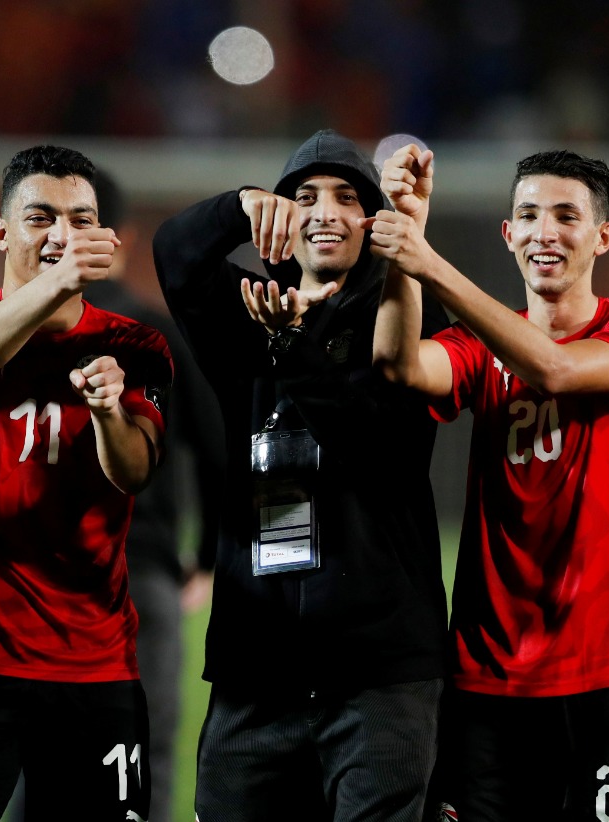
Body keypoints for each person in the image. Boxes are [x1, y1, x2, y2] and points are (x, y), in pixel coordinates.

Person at [369, 145, 609, 821]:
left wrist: (430, 264)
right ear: (508, 234)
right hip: (488, 674)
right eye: (530, 215)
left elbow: (556, 371)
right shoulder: (477, 349)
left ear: (603, 237)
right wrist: (404, 244)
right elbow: (397, 364)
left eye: (567, 216)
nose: (545, 232)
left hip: (607, 669)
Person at [152, 129, 450, 822]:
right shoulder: (248, 312)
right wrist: (240, 205)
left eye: (347, 198)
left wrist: (292, 346)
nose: (325, 212)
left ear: (372, 220)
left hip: (377, 677)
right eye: (305, 197)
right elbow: (176, 254)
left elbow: (372, 441)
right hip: (256, 672)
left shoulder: (402, 312)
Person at [0, 145, 172, 822]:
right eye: (41, 217)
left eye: (81, 221)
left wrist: (107, 412)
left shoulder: (136, 346)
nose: (61, 235)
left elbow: (136, 471)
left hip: (92, 666)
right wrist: (58, 282)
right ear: (1, 231)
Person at [82, 170, 223, 822]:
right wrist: (208, 558)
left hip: (42, 576)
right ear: (124, 238)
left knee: (40, 749)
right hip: (145, 568)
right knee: (150, 752)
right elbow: (218, 453)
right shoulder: (158, 334)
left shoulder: (18, 331)